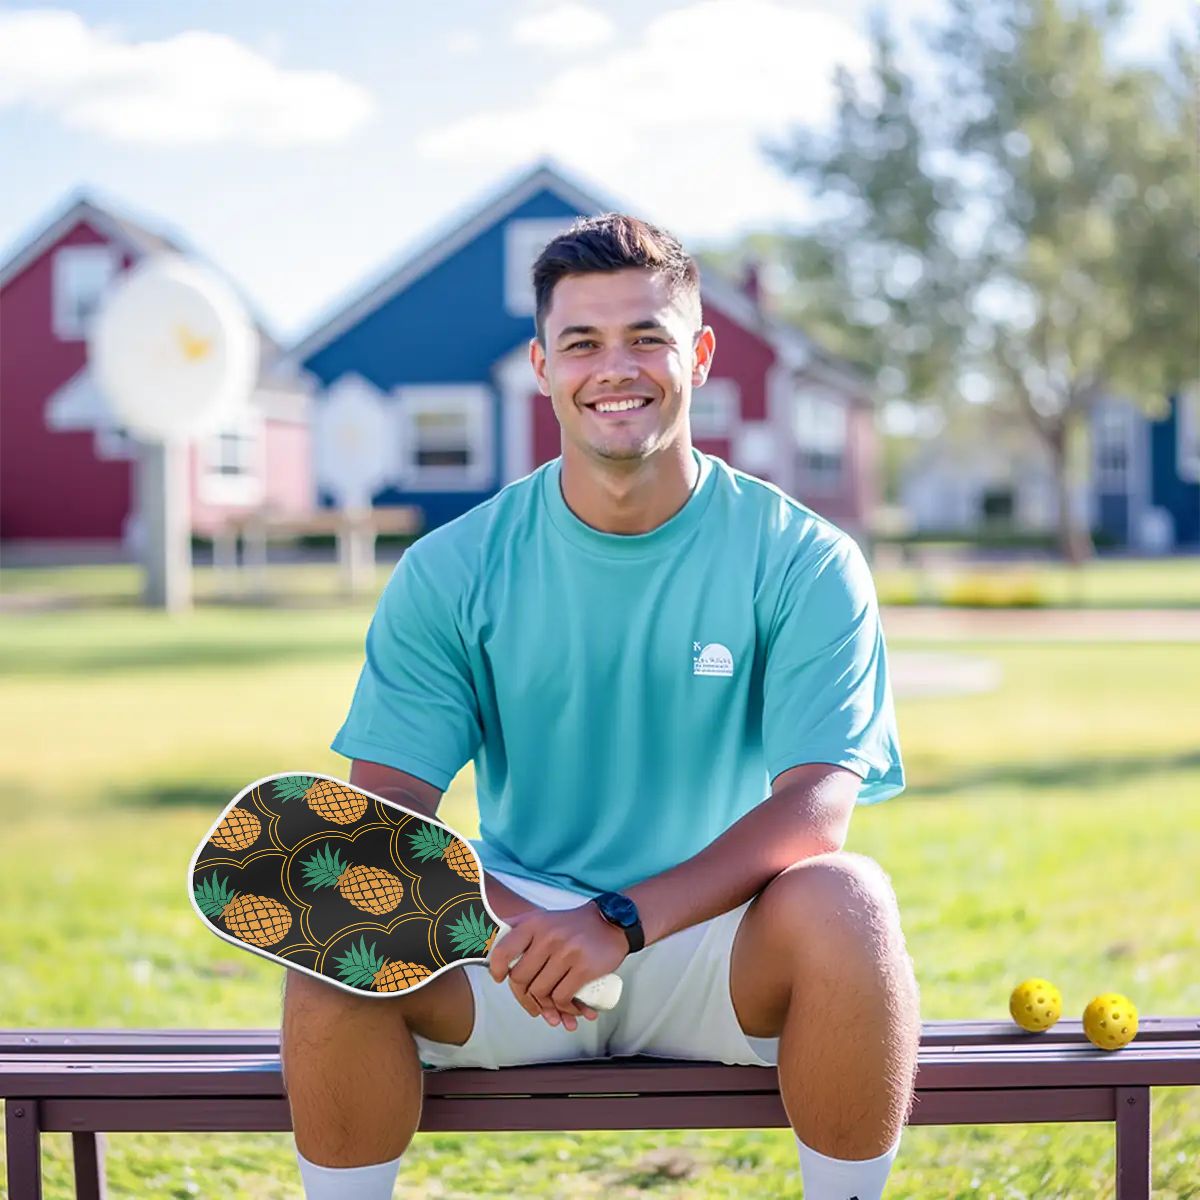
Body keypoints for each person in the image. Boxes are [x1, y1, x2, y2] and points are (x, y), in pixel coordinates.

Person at [281, 213, 921, 1200]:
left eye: (647, 338)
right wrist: (513, 924)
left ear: (699, 355)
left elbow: (816, 810)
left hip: (718, 939)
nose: (613, 368)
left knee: (851, 902)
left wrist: (616, 922)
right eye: (582, 342)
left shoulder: (804, 559)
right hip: (511, 947)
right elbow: (386, 823)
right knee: (335, 910)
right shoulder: (453, 570)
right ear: (541, 365)